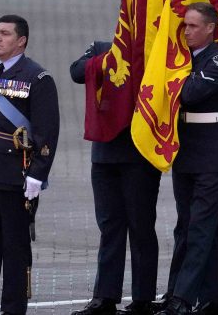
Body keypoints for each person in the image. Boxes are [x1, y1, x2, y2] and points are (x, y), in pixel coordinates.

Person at [0, 14, 59, 315]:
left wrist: (37, 175)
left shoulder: (38, 78)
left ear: (21, 40)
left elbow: (47, 131)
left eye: (5, 34)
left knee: (15, 245)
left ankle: (14, 308)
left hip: (16, 171)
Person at [69, 39, 162, 315]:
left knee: (141, 227)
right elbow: (76, 71)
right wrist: (108, 59)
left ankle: (143, 299)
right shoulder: (103, 48)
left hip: (140, 154)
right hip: (105, 154)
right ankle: (105, 297)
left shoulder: (152, 50)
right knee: (110, 227)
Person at [159, 2, 218, 315]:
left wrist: (172, 75)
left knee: (201, 228)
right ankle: (207, 297)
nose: (187, 32)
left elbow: (189, 93)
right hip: (187, 152)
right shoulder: (186, 59)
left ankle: (183, 298)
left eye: (193, 26)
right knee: (186, 226)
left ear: (210, 28)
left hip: (213, 155)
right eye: (185, 26)